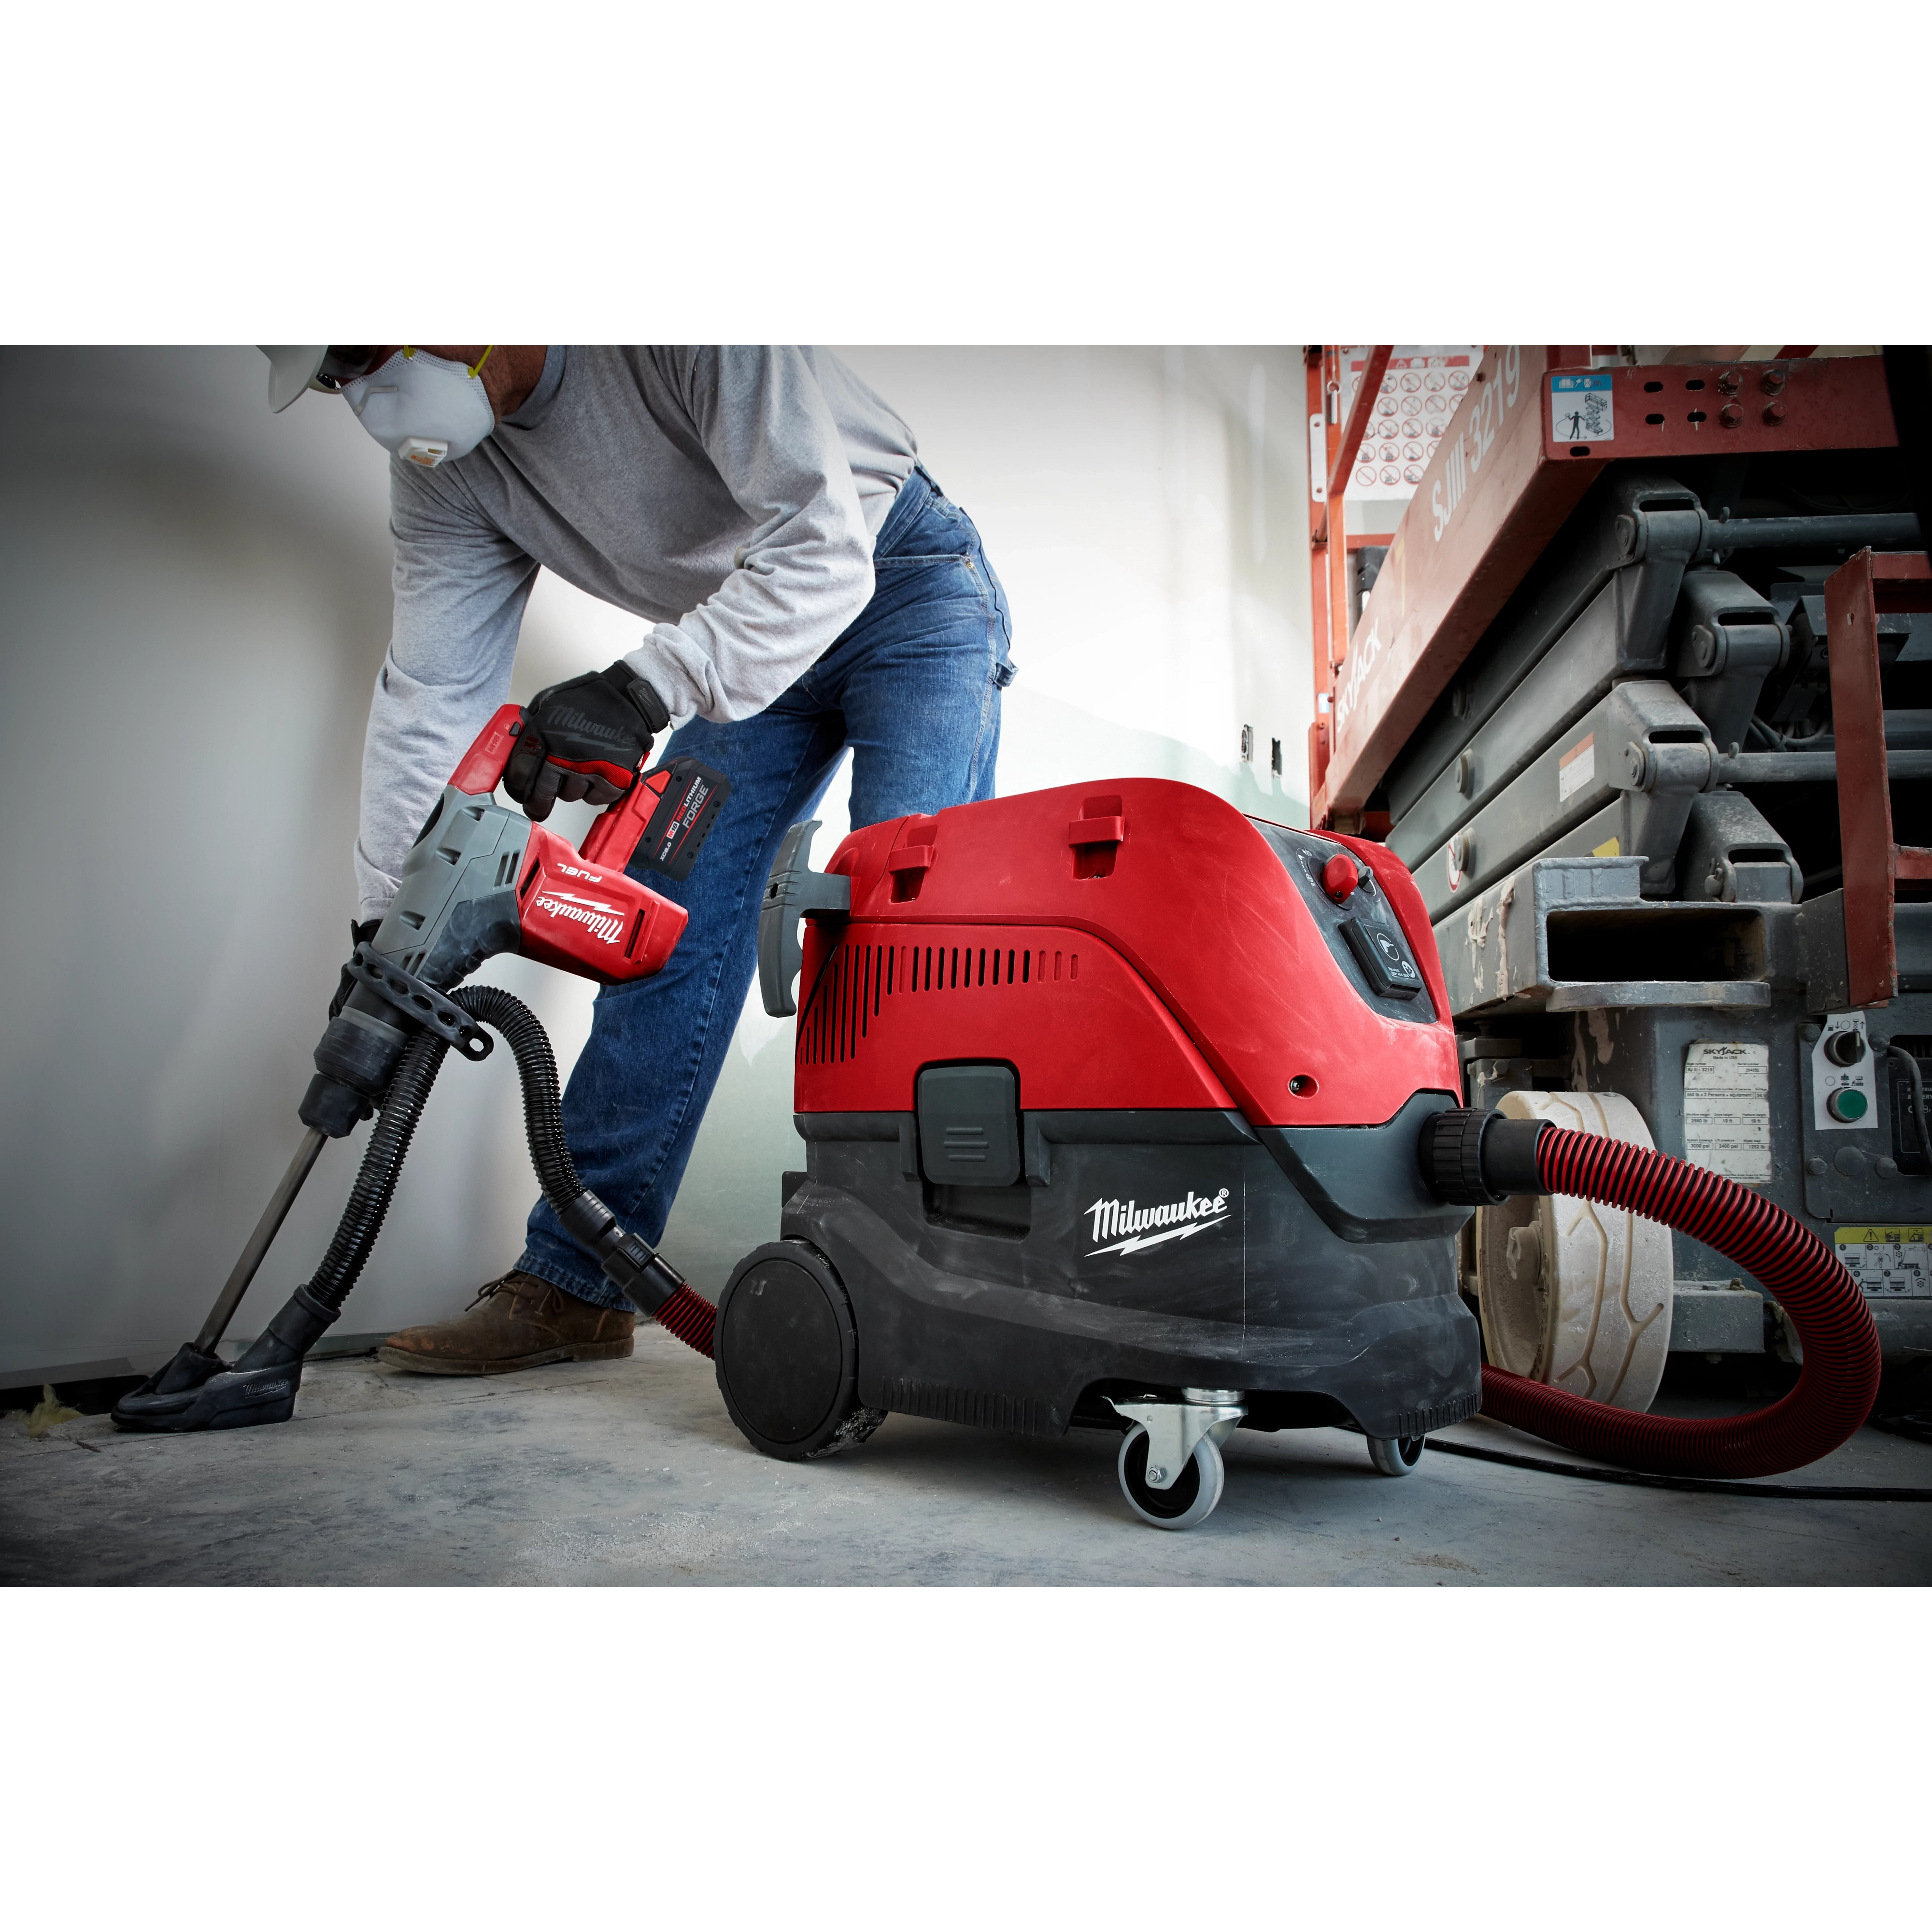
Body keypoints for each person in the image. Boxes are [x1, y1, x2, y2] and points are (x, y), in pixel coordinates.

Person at [258, 344, 1013, 1373]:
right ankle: (577, 1284)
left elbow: (825, 543)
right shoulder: (445, 469)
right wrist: (389, 928)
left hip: (899, 581)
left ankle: (936, 1280)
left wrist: (640, 689)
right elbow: (432, 694)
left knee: (905, 927)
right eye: (336, 377)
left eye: (361, 352)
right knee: (658, 926)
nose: (366, 396)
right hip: (744, 628)